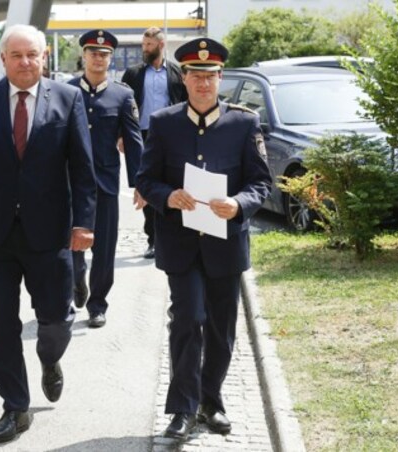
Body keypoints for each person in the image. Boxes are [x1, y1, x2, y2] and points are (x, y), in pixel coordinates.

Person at [0, 24, 96, 444]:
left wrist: (84, 224)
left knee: (54, 319)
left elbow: (83, 170)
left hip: (49, 233)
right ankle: (15, 407)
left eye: (33, 55)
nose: (25, 63)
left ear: (44, 57)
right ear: (4, 58)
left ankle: (50, 360)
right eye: (17, 55)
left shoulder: (68, 98)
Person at [135, 37, 272, 441]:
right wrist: (167, 196)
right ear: (186, 78)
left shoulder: (244, 123)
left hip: (225, 243)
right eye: (196, 76)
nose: (203, 84)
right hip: (180, 243)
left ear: (220, 78)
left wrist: (238, 202)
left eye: (210, 77)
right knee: (188, 318)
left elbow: (261, 182)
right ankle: (182, 408)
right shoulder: (163, 122)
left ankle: (211, 401)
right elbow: (146, 178)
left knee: (220, 328)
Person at [67, 30, 143, 328]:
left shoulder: (123, 95)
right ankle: (76, 281)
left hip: (105, 184)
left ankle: (98, 304)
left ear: (110, 59)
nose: (99, 58)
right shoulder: (67, 90)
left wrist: (139, 184)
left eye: (104, 54)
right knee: (69, 243)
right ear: (84, 55)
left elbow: (134, 141)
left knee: (105, 248)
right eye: (93, 52)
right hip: (69, 183)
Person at [122, 27, 187, 259]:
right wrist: (122, 135)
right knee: (147, 186)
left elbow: (185, 103)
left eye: (148, 45)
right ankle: (153, 240)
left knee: (172, 183)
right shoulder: (133, 74)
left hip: (172, 135)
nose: (144, 49)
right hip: (142, 135)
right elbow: (123, 106)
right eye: (143, 45)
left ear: (161, 45)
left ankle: (173, 236)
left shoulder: (177, 73)